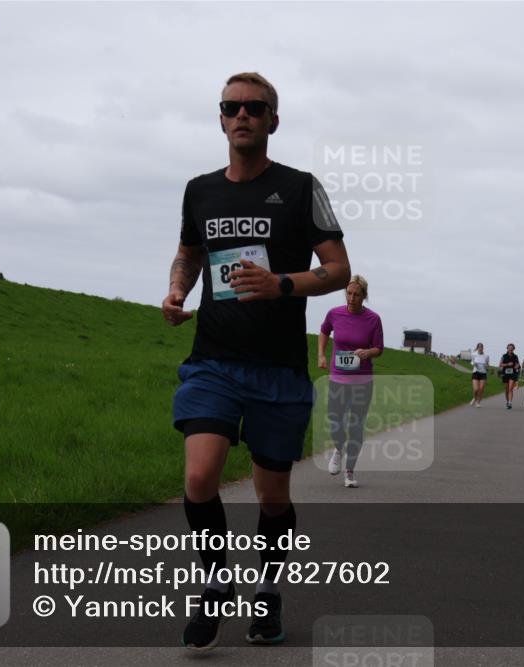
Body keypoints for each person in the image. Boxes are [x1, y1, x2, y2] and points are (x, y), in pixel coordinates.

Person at [163, 72, 349, 650]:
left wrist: (281, 284)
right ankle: (216, 582)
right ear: (220, 119)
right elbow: (189, 253)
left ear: (273, 120)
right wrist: (177, 290)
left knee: (272, 497)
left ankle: (268, 592)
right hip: (213, 360)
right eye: (231, 107)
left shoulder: (300, 188)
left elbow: (338, 269)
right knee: (200, 476)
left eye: (254, 107)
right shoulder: (199, 190)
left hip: (278, 368)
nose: (242, 114)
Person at [318, 275, 383, 489]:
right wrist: (321, 354)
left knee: (355, 426)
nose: (351, 298)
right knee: (335, 422)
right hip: (338, 378)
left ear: (364, 296)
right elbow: (324, 330)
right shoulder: (335, 313)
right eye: (349, 293)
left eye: (356, 294)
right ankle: (339, 449)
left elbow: (379, 348)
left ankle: (350, 472)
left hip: (362, 381)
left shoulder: (373, 319)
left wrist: (367, 353)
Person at [498, 343, 520, 409]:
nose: (510, 349)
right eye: (509, 348)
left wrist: (517, 366)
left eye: (512, 348)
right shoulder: (504, 356)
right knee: (507, 389)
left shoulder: (515, 356)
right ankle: (507, 401)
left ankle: (510, 402)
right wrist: (507, 364)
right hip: (505, 374)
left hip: (512, 374)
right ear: (507, 349)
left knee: (510, 388)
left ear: (513, 349)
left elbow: (518, 364)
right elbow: (500, 364)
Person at [469, 343, 489, 407]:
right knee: (476, 389)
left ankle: (478, 402)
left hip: (483, 373)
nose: (480, 348)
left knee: (481, 389)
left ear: (483, 348)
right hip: (476, 372)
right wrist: (474, 364)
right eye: (479, 347)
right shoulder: (474, 354)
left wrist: (486, 366)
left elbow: (487, 364)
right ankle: (474, 398)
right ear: (477, 348)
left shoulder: (486, 356)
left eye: (481, 347)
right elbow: (472, 362)